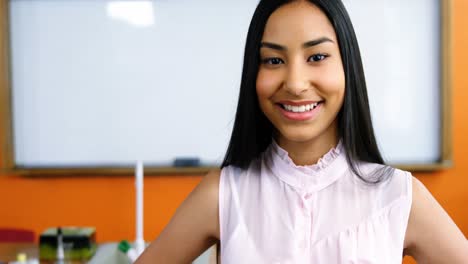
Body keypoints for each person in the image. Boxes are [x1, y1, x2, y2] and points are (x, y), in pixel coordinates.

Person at [135, 0, 468, 263]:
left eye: (317, 56)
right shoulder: (223, 194)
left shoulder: (399, 196)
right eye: (273, 60)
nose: (294, 84)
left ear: (347, 67)